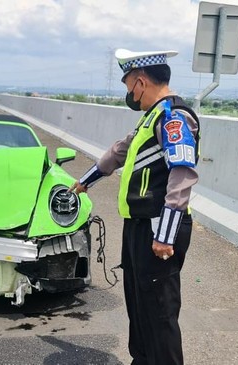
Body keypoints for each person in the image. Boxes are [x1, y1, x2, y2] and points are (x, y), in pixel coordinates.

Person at [69, 49, 200, 365]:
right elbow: (119, 152)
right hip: (140, 226)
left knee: (160, 311)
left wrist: (165, 235)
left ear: (141, 81)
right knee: (139, 304)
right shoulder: (153, 117)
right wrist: (86, 180)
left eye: (129, 85)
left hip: (159, 227)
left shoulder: (174, 118)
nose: (129, 93)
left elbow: (182, 174)